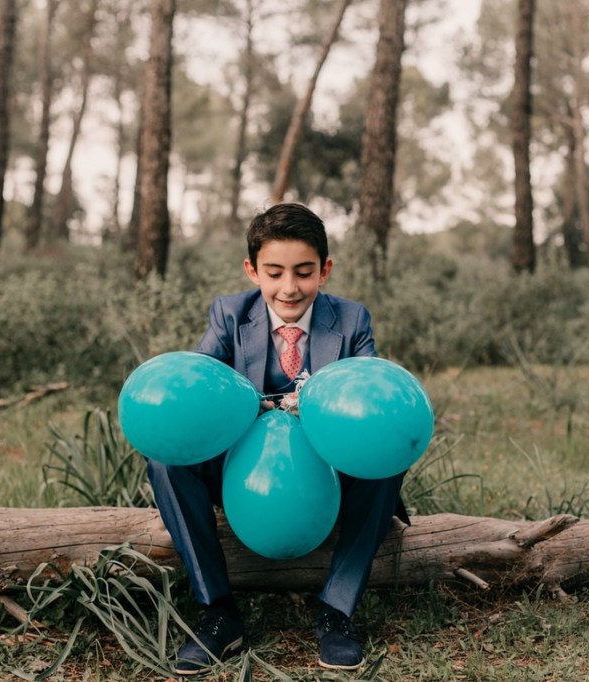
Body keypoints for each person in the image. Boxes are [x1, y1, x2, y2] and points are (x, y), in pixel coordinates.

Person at [147, 202, 408, 675]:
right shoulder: (229, 314)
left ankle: (337, 611)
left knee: (384, 458)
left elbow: (369, 400)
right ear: (252, 271)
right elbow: (202, 391)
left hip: (327, 467)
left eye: (304, 272)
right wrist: (250, 404)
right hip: (243, 465)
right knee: (168, 459)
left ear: (325, 270)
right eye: (274, 273)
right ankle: (218, 612)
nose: (289, 287)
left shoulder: (352, 320)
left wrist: (322, 403)